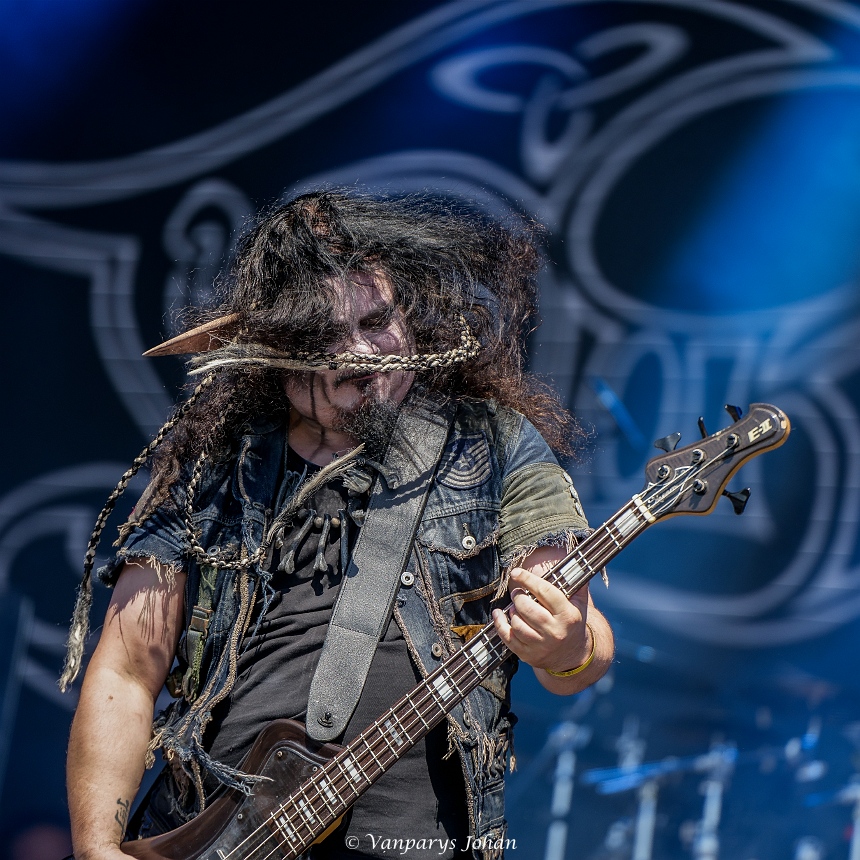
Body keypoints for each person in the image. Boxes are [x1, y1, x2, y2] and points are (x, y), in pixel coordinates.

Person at [63, 190, 614, 860]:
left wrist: (567, 648)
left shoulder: (492, 444)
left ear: (409, 313)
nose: (358, 354)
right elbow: (126, 670)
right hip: (212, 835)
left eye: (376, 321)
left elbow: (578, 638)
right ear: (275, 350)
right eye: (322, 336)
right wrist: (98, 850)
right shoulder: (217, 464)